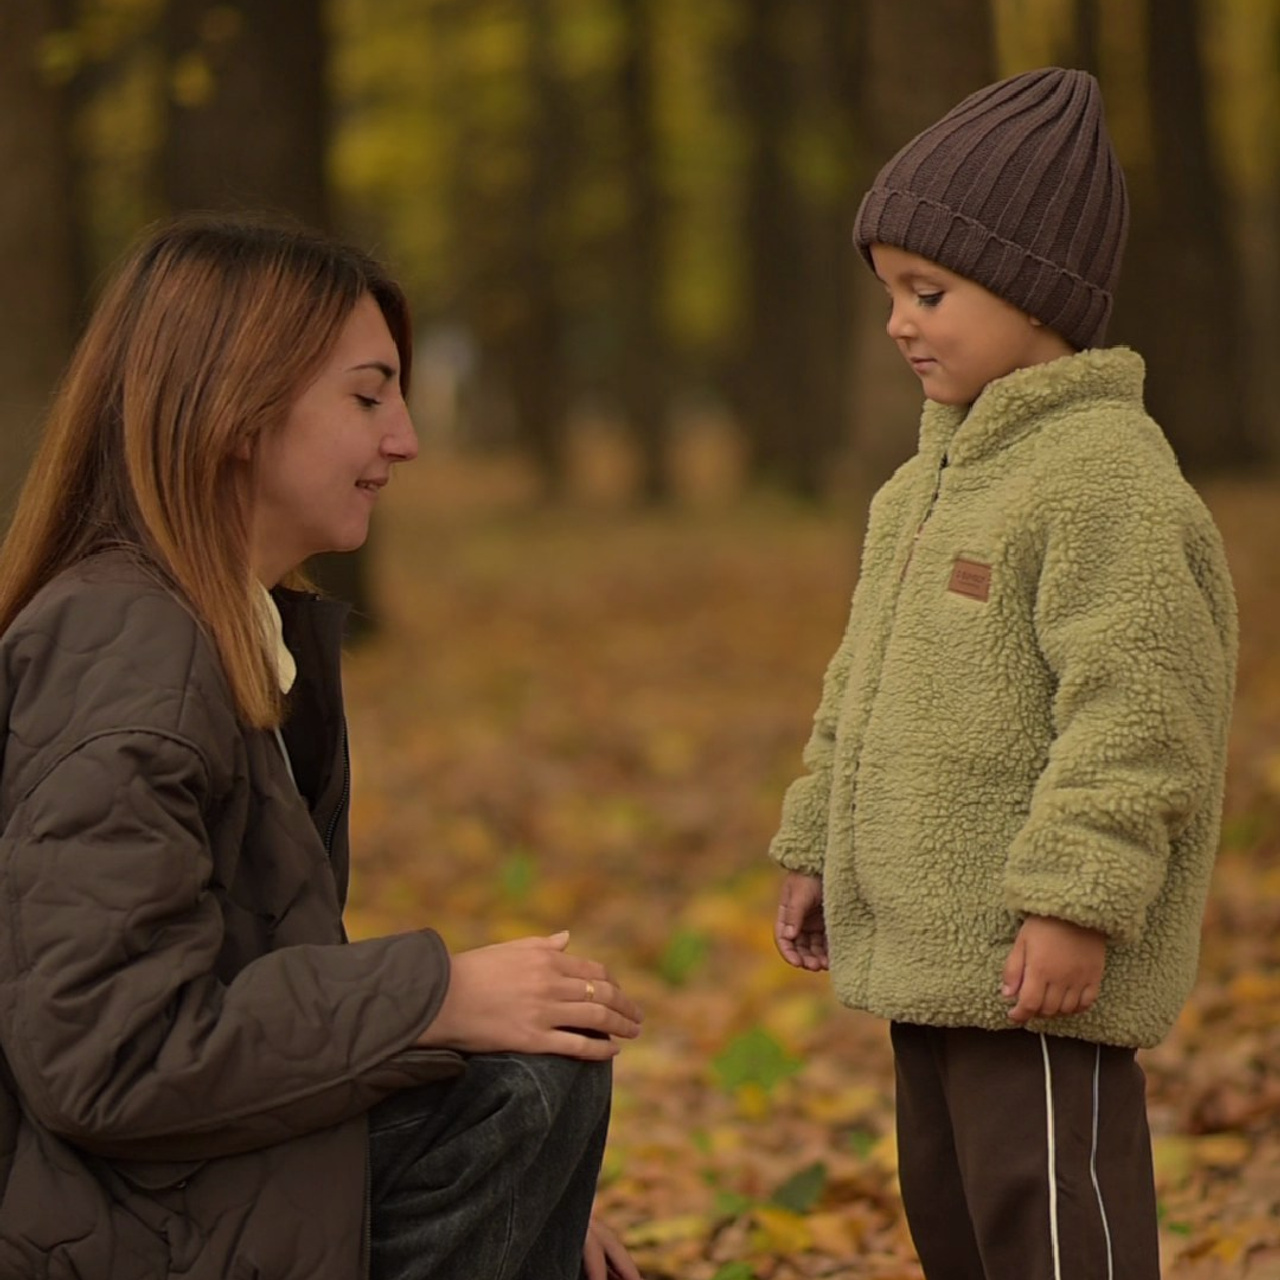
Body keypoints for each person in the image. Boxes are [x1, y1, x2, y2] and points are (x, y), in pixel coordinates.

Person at [0, 215, 643, 1280]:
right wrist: (432, 995)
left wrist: (529, 1185)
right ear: (238, 412)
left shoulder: (227, 628)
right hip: (99, 1220)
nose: (405, 439)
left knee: (530, 1078)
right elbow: (105, 1054)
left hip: (167, 1185)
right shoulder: (126, 654)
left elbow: (237, 995)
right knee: (531, 1072)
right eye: (366, 395)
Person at [770, 68, 1236, 1280]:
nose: (898, 323)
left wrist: (1075, 900)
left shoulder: (1103, 480)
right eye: (887, 295)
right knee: (956, 1215)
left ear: (1035, 293)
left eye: (928, 291)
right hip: (927, 947)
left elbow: (1139, 709)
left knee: (1047, 1214)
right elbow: (854, 684)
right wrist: (818, 840)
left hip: (1032, 962)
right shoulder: (921, 484)